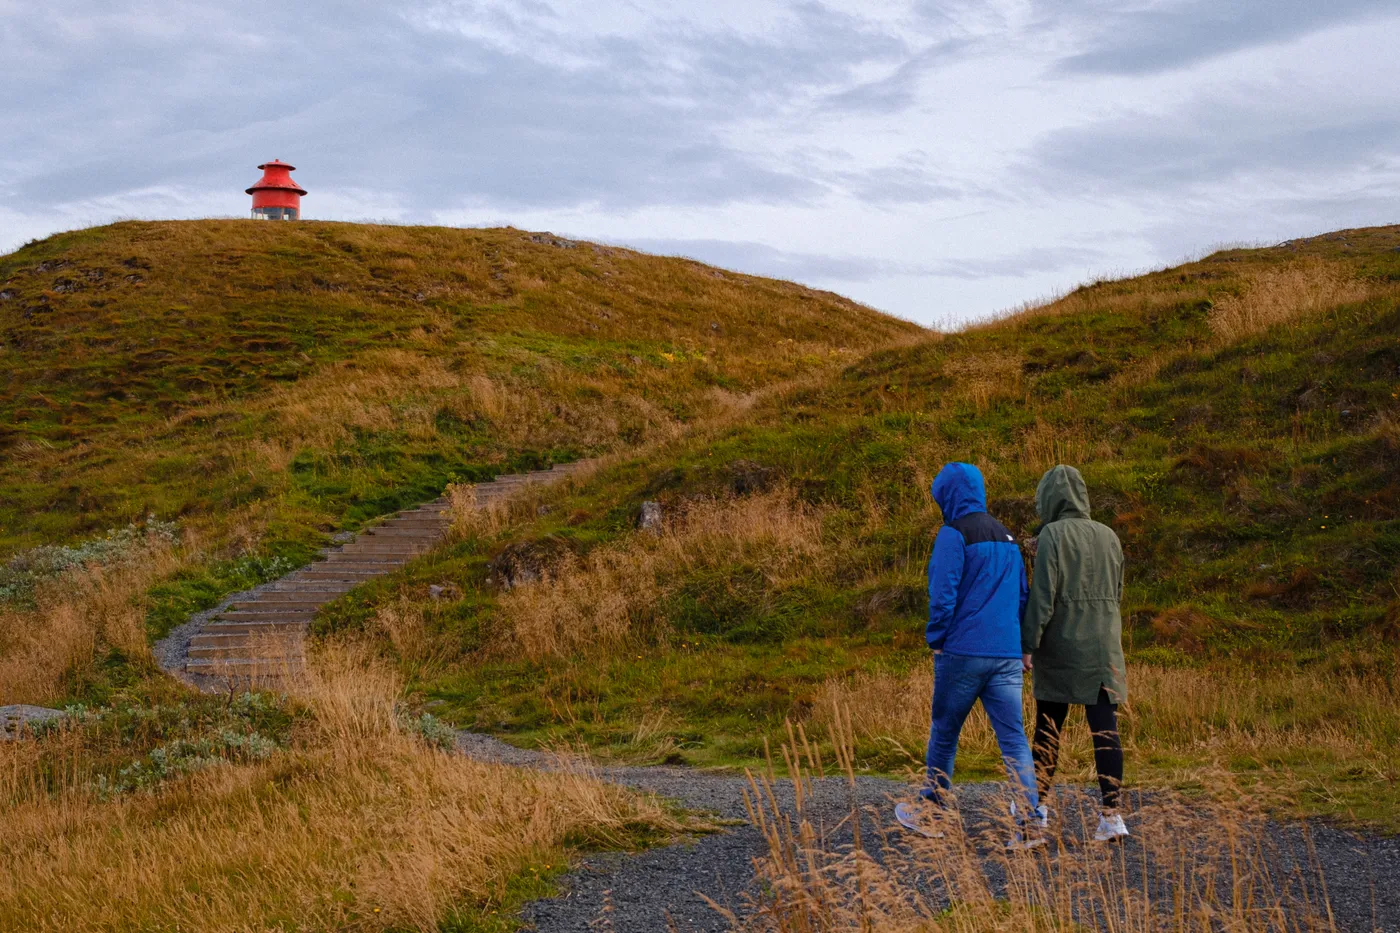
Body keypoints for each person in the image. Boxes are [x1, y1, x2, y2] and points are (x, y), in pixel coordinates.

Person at [895, 462, 1043, 849]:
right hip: (1007, 654)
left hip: (962, 652)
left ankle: (932, 814)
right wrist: (1023, 647)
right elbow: (1022, 596)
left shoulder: (952, 534)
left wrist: (936, 638)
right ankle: (1029, 824)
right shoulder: (1008, 538)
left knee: (945, 732)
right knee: (1014, 740)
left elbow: (942, 593)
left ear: (948, 495)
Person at [1021, 464, 1130, 842]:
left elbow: (1043, 598)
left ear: (1048, 498)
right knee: (1105, 731)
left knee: (1048, 731)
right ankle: (1112, 816)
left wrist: (1027, 645)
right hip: (1104, 649)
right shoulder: (1109, 536)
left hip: (1062, 648)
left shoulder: (1051, 535)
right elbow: (1117, 594)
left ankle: (1037, 811)